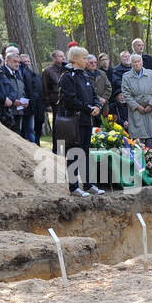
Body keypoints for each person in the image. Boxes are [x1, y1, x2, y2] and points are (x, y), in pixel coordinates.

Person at [58, 45, 105, 196]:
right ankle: (73, 187)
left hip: (87, 121)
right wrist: (88, 108)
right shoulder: (67, 76)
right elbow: (70, 100)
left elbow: (93, 94)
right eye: (84, 58)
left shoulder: (84, 75)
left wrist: (97, 106)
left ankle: (88, 184)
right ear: (76, 59)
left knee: (85, 152)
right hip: (74, 121)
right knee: (74, 153)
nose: (87, 61)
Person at [121, 53, 152, 152]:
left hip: (151, 107)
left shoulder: (151, 74)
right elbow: (126, 94)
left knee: (150, 133)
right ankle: (139, 157)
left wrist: (151, 105)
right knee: (138, 134)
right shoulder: (126, 76)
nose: (136, 64)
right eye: (134, 62)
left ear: (142, 62)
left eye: (138, 61)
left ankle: (151, 155)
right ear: (131, 64)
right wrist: (137, 106)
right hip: (136, 108)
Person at [86, 53, 111, 117]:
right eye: (91, 62)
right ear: (86, 63)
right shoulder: (84, 74)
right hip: (92, 106)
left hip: (104, 105)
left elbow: (108, 87)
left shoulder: (102, 73)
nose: (94, 64)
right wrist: (98, 99)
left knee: (104, 125)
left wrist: (104, 98)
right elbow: (87, 90)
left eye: (95, 62)